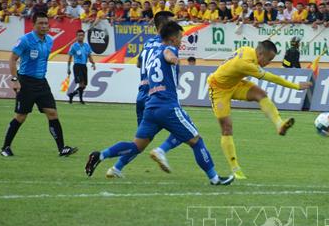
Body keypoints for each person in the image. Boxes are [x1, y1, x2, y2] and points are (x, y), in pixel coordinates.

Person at [85, 21, 234, 185]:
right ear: (172, 38)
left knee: (136, 146)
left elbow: (145, 63)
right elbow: (168, 54)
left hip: (151, 107)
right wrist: (173, 59)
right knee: (196, 141)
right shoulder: (170, 49)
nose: (181, 41)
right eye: (180, 38)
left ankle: (101, 155)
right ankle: (214, 178)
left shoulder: (152, 54)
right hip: (167, 106)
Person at [207, 40, 313, 179]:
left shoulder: (247, 50)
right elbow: (271, 78)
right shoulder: (246, 64)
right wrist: (296, 86)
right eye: (269, 59)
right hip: (218, 89)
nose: (268, 63)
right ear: (260, 54)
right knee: (227, 128)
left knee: (261, 94)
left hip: (235, 83)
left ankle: (279, 124)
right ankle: (235, 168)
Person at [105, 11, 182, 178]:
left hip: (142, 94)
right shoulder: (167, 45)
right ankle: (161, 150)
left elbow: (139, 63)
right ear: (164, 26)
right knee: (185, 130)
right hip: (158, 95)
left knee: (140, 142)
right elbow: (167, 59)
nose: (176, 27)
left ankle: (115, 167)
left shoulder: (148, 43)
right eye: (172, 23)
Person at [1, 11, 78, 158]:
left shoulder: (49, 40)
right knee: (21, 116)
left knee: (52, 113)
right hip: (26, 82)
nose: (44, 26)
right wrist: (15, 80)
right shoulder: (25, 40)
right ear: (34, 25)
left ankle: (62, 148)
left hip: (41, 82)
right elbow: (12, 59)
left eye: (46, 23)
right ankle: (5, 147)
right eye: (40, 23)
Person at [66, 29, 96, 104]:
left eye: (82, 35)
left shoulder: (86, 46)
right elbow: (70, 58)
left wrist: (93, 63)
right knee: (81, 83)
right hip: (77, 66)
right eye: (79, 35)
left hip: (84, 66)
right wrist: (68, 68)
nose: (81, 37)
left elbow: (89, 56)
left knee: (84, 85)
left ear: (84, 36)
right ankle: (81, 100)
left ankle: (72, 95)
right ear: (76, 36)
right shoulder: (74, 46)